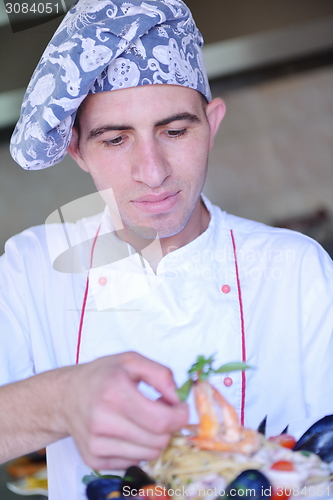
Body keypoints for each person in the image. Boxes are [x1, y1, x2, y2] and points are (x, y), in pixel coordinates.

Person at [1, 0, 333, 498]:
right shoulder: (32, 270)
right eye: (115, 140)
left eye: (175, 131)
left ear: (212, 123)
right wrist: (60, 401)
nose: (152, 171)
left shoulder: (297, 268)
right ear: (78, 150)